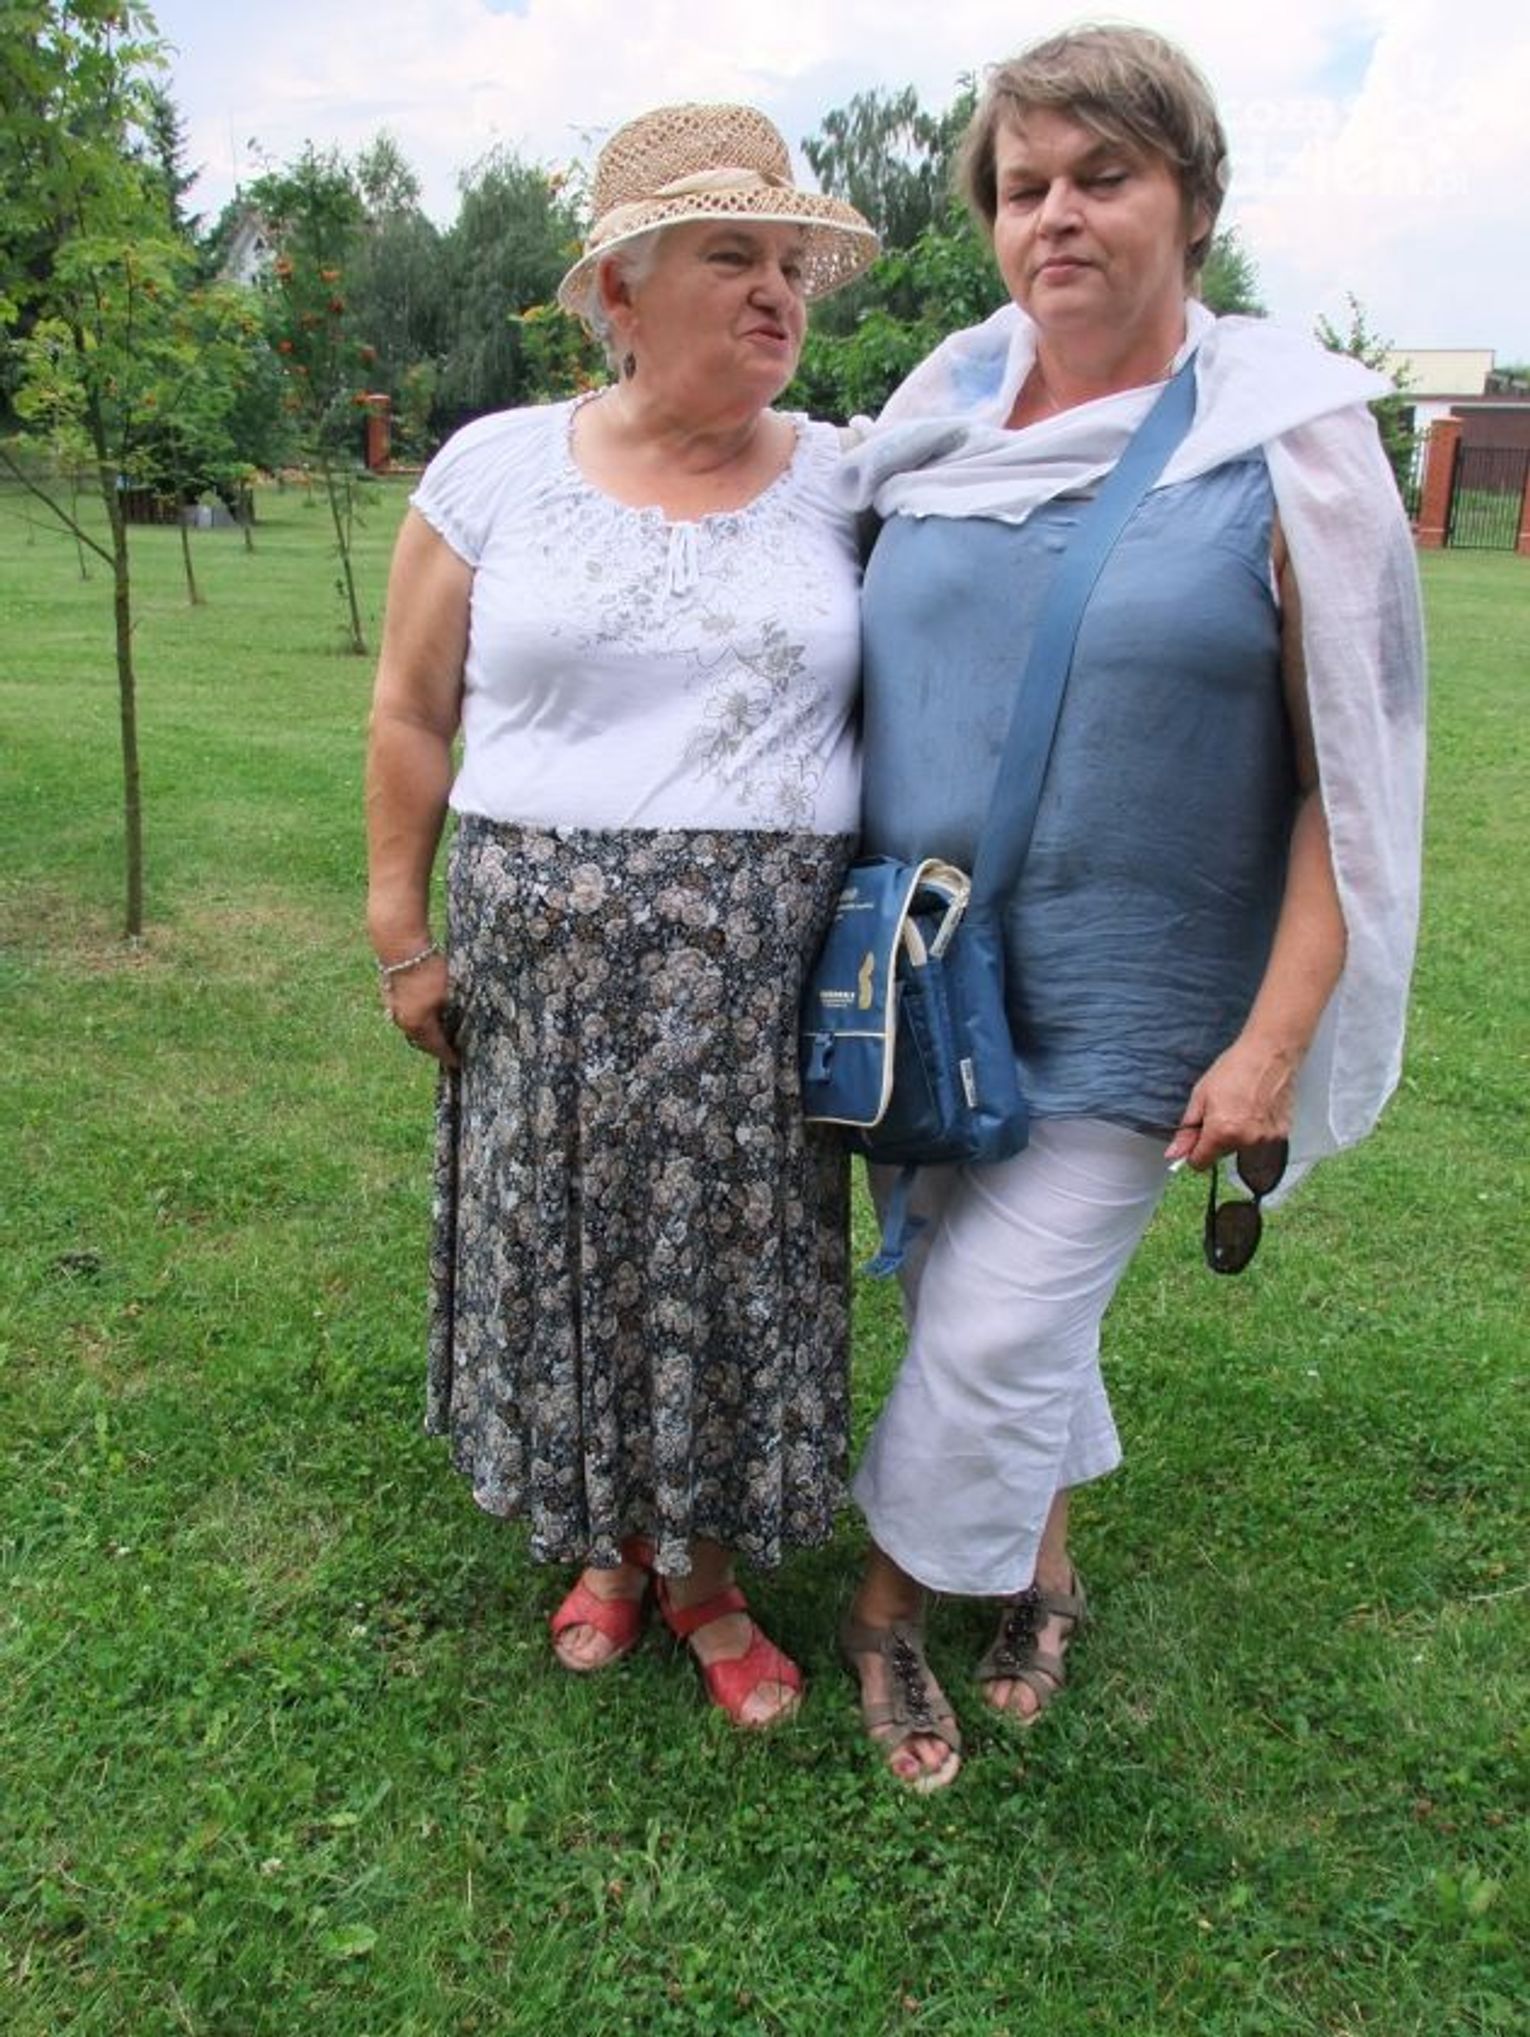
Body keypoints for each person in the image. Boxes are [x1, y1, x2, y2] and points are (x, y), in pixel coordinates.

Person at [835, 26, 1425, 1790]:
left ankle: (881, 1607)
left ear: (1194, 200)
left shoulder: (1291, 450)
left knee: (992, 1319)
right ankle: (1045, 1571)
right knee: (975, 1285)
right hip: (919, 982)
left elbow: (1346, 788)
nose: (1057, 216)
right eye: (1024, 187)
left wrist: (1272, 1038)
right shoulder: (933, 421)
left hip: (1137, 1001)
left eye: (1104, 176)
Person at [364, 104, 877, 1729]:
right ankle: (605, 1541)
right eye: (732, 256)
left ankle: (705, 1571)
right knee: (568, 1250)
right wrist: (399, 929)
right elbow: (409, 710)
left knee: (734, 1263)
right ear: (618, 290)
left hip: (758, 979)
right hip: (543, 977)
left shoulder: (850, 480)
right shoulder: (496, 467)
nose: (776, 292)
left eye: (789, 263)